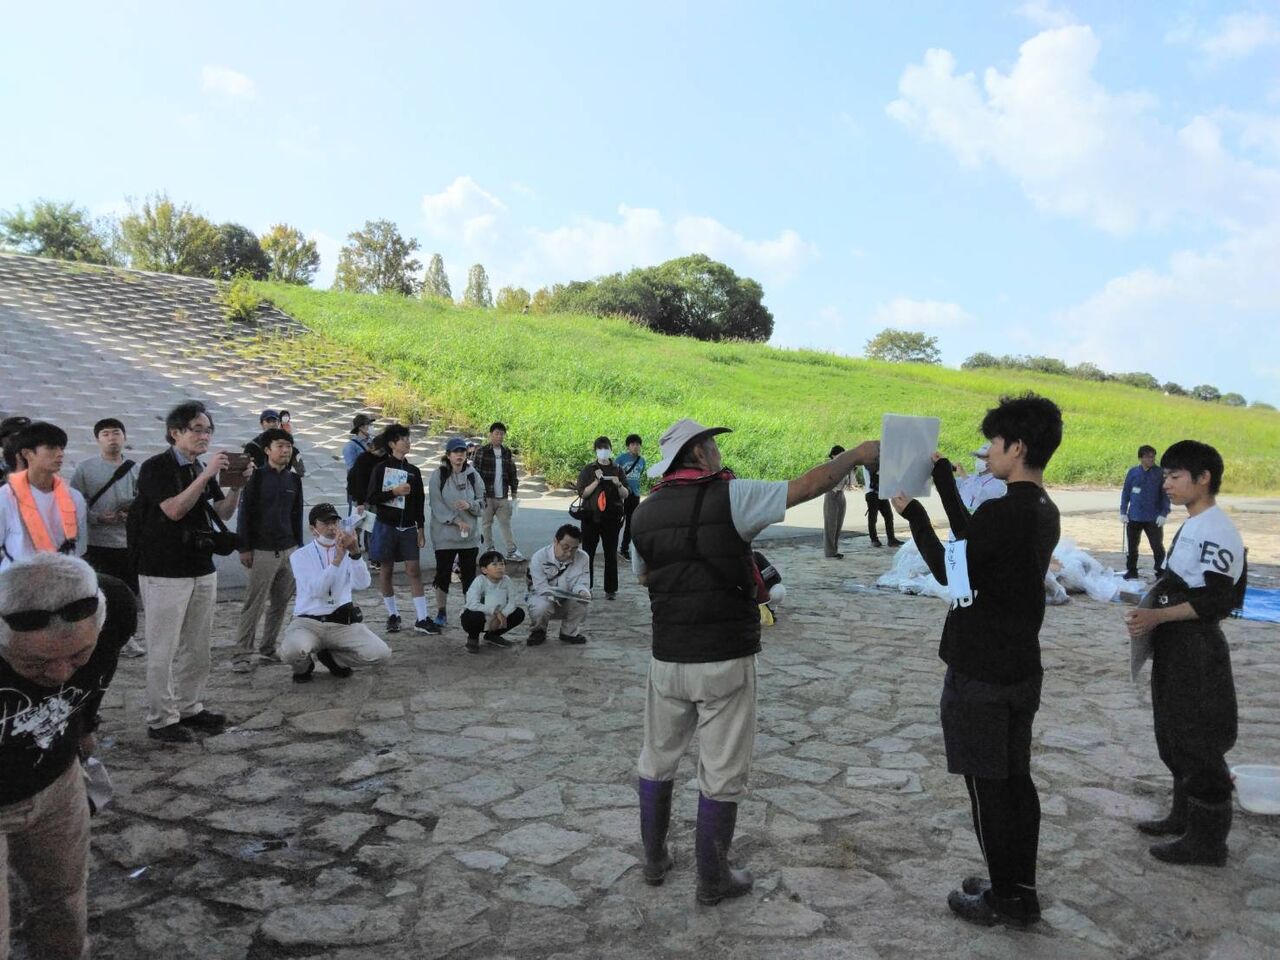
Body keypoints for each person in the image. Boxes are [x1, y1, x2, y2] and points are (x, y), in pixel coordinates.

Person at [630, 418, 879, 905]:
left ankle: (654, 860)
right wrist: (854, 456)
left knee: (656, 759)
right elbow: (808, 486)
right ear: (698, 453)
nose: (718, 452)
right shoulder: (733, 496)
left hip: (668, 657)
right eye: (712, 445)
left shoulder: (644, 512)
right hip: (724, 655)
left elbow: (645, 577)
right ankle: (713, 879)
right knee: (721, 770)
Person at [891, 393, 1063, 929]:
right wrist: (944, 481)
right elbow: (974, 542)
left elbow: (952, 569)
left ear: (1017, 447)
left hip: (981, 671)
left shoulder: (1002, 512)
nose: (987, 452)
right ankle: (1019, 888)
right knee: (1015, 781)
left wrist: (915, 515)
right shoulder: (1041, 509)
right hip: (1020, 665)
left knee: (988, 788)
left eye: (994, 443)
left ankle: (1004, 901)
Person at [0, 554, 136, 960]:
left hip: (58, 782)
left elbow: (103, 665)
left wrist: (87, 723)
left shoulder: (116, 607)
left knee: (63, 898)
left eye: (78, 655)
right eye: (35, 663)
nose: (61, 674)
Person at [1124, 441, 1245, 867]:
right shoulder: (1194, 524)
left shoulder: (1216, 529)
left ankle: (1208, 843)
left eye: (1175, 477)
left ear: (1203, 478)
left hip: (1196, 648)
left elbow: (1217, 600)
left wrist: (1157, 616)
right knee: (1174, 734)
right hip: (1175, 644)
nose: (1166, 484)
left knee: (1198, 739)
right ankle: (1183, 817)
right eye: (1165, 476)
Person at [133, 400, 251, 743]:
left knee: (198, 646)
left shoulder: (200, 467)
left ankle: (190, 706)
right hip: (163, 569)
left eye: (208, 430)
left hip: (201, 565)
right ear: (175, 432)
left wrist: (236, 486)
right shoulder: (156, 467)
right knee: (163, 648)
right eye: (197, 429)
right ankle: (161, 719)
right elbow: (173, 510)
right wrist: (206, 474)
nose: (205, 436)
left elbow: (222, 513)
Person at [279, 503, 391, 684]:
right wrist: (337, 561)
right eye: (325, 523)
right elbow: (316, 590)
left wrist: (355, 554)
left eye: (334, 522)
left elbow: (362, 584)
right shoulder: (299, 556)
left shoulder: (347, 550)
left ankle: (333, 659)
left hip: (341, 622)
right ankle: (304, 666)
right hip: (308, 622)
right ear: (313, 529)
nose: (331, 528)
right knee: (291, 651)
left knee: (381, 654)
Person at [231, 428, 303, 673]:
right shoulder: (256, 478)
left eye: (288, 446)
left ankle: (268, 648)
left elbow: (296, 515)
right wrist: (244, 547)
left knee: (280, 603)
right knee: (255, 603)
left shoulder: (294, 480)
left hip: (289, 549)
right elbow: (245, 514)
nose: (285, 450)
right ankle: (242, 654)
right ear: (267, 450)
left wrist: (298, 548)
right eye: (280, 446)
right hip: (261, 551)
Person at [366, 424, 438, 635]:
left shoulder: (413, 471)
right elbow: (372, 498)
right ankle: (392, 614)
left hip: (408, 527)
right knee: (386, 569)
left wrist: (420, 527)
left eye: (408, 439)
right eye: (403, 439)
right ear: (392, 444)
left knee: (414, 570)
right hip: (386, 525)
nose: (407, 442)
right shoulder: (380, 469)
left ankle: (422, 617)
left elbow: (419, 502)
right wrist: (394, 492)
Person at [0, 422, 88, 571]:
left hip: (62, 576)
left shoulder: (74, 497)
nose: (60, 454)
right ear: (27, 454)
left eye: (61, 448)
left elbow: (79, 547)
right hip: (16, 576)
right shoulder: (5, 496)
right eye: (51, 448)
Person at [69, 418, 140, 594]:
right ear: (97, 439)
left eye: (116, 433)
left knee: (128, 593)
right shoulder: (85, 468)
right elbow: (73, 504)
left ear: (124, 437)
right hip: (95, 543)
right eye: (105, 434)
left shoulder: (136, 469)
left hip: (127, 543)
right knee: (99, 592)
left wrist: (130, 515)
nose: (111, 438)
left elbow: (144, 503)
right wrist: (96, 517)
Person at [429, 437, 485, 628]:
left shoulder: (473, 475)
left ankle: (469, 609)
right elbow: (436, 504)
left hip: (469, 536)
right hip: (444, 536)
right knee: (443, 574)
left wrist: (470, 505)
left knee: (469, 575)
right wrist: (456, 520)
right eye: (455, 452)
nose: (459, 455)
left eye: (462, 452)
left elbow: (482, 502)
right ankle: (441, 611)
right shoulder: (438, 475)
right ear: (448, 455)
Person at [576, 436, 627, 600]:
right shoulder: (588, 469)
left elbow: (625, 494)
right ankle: (586, 587)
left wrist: (618, 484)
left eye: (606, 448)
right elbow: (583, 493)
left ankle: (610, 589)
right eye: (600, 448)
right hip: (591, 517)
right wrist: (596, 482)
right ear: (595, 451)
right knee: (587, 554)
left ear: (611, 449)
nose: (603, 451)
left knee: (610, 554)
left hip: (612, 518)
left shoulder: (618, 469)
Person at [526, 524, 592, 645]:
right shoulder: (539, 557)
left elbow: (582, 582)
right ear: (555, 541)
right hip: (544, 598)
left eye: (574, 549)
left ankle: (569, 632)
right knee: (541, 605)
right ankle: (538, 631)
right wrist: (552, 596)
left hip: (567, 599)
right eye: (565, 547)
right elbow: (540, 587)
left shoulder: (583, 557)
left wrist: (582, 592)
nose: (569, 553)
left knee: (582, 600)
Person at [474, 422, 523, 561]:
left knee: (506, 523)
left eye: (502, 434)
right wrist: (478, 495)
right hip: (487, 495)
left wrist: (514, 494)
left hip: (503, 495)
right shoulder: (482, 451)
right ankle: (490, 549)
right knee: (486, 524)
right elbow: (475, 473)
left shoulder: (506, 452)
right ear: (490, 435)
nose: (499, 436)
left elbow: (512, 473)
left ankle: (511, 550)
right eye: (497, 433)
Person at [1121, 444, 1171, 580]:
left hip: (1153, 517)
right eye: (1148, 457)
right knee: (1132, 546)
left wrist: (1164, 513)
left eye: (1153, 456)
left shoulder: (1159, 473)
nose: (1151, 459)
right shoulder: (1133, 472)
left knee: (1157, 546)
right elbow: (1126, 492)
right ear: (1141, 458)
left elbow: (1166, 495)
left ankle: (1160, 571)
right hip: (1134, 516)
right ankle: (1131, 570)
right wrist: (1123, 512)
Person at [460, 550, 525, 653]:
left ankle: (492, 635)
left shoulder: (506, 580)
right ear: (484, 569)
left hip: (499, 618)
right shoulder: (480, 581)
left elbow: (513, 601)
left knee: (519, 613)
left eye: (502, 564)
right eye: (494, 564)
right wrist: (495, 611)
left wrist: (502, 615)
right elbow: (472, 604)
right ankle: (473, 638)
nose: (499, 567)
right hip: (481, 616)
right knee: (473, 616)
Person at [244, 409, 305, 477]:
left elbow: (300, 471)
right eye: (268, 421)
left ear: (278, 423)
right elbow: (243, 469)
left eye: (274, 421)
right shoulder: (252, 447)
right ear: (262, 424)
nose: (272, 424)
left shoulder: (288, 446)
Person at [615, 433, 646, 562]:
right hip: (622, 494)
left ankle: (624, 549)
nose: (635, 446)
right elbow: (614, 474)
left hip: (635, 495)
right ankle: (612, 546)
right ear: (628, 446)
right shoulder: (621, 459)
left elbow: (640, 474)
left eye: (638, 444)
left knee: (631, 523)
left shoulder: (642, 461)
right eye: (633, 444)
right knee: (618, 521)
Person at [954, 442, 1007, 513]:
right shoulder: (974, 477)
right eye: (978, 457)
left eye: (982, 457)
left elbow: (980, 496)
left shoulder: (999, 485)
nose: (978, 460)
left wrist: (964, 476)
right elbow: (952, 485)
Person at [822, 444, 855, 558]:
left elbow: (851, 483)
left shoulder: (846, 466)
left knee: (838, 524)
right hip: (831, 494)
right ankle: (829, 551)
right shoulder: (829, 466)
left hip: (841, 494)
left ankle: (834, 550)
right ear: (833, 455)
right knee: (830, 524)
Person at [858, 465, 901, 548]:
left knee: (889, 516)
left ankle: (891, 539)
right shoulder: (868, 464)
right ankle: (874, 540)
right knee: (873, 518)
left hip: (881, 493)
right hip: (871, 493)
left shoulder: (879, 464)